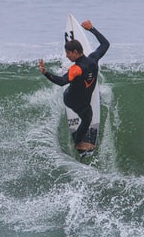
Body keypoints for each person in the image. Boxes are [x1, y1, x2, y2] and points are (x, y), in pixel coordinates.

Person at [39, 19, 110, 153]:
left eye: (68, 53)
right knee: (87, 116)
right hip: (74, 100)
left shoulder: (76, 69)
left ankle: (77, 142)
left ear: (76, 52)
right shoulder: (93, 59)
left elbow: (61, 81)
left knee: (88, 117)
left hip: (75, 99)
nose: (67, 55)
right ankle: (78, 142)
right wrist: (91, 29)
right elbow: (105, 44)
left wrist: (45, 73)